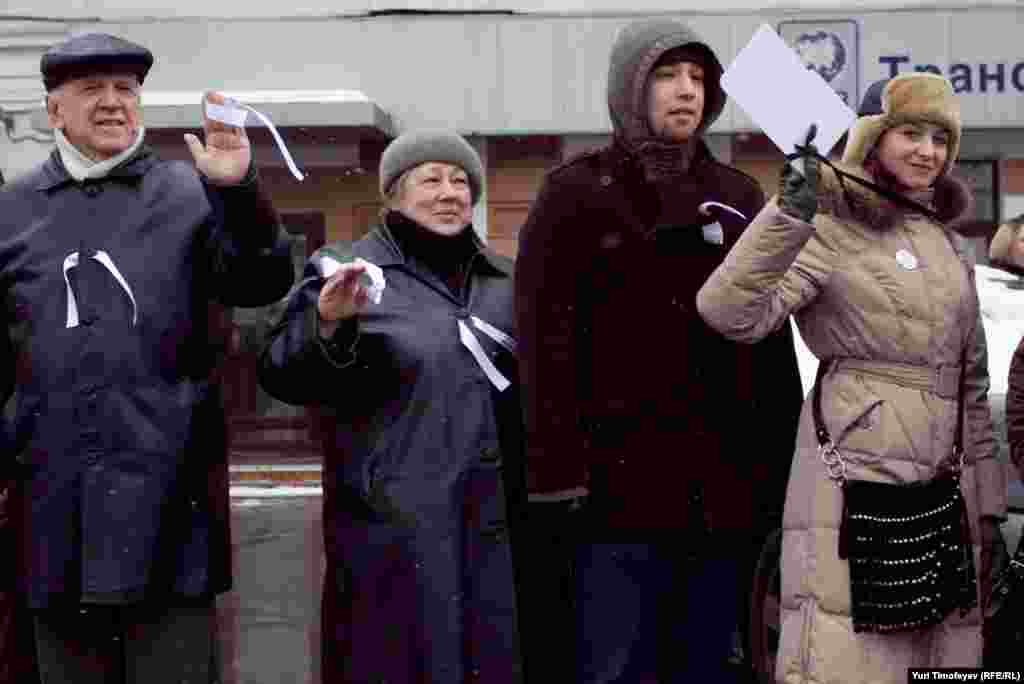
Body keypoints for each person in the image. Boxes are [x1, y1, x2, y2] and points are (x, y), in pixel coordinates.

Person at [514, 19, 803, 683]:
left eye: (698, 77)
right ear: (630, 88)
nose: (686, 90)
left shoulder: (738, 196)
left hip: (720, 485)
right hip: (615, 490)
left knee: (706, 661)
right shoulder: (574, 193)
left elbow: (768, 342)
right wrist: (557, 472)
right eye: (667, 75)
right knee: (617, 663)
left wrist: (776, 470)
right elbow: (543, 339)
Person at [0, 32, 294, 684]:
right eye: (91, 90)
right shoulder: (11, 213)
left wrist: (239, 192)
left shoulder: (192, 196)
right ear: (53, 111)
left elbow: (261, 282)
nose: (113, 103)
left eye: (126, 90)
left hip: (170, 515)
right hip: (52, 520)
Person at [697, 73, 1007, 681]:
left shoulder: (949, 245)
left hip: (946, 489)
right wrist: (787, 215)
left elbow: (971, 384)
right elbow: (729, 311)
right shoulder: (828, 225)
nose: (928, 151)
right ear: (872, 138)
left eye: (940, 139)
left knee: (938, 656)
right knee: (850, 653)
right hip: (856, 472)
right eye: (910, 133)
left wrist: (989, 507)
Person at [260, 130, 525, 683]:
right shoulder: (346, 271)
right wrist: (327, 324)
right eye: (431, 179)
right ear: (393, 194)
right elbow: (283, 372)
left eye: (461, 181)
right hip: (393, 526)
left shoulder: (504, 281)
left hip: (496, 521)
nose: (449, 192)